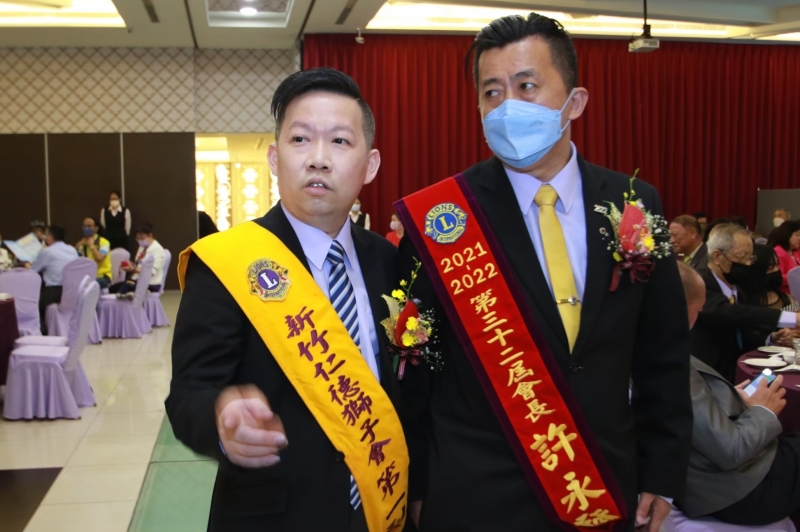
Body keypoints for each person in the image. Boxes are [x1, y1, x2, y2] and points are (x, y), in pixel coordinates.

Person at [396, 13, 692, 532]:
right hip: (473, 495)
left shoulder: (633, 204)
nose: (507, 106)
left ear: (574, 101)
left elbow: (662, 354)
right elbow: (415, 370)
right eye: (492, 92)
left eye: (526, 85)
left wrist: (662, 472)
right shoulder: (444, 219)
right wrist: (417, 485)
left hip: (599, 482)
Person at [166, 67, 410, 532]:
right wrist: (221, 421)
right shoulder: (227, 262)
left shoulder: (389, 260)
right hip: (273, 515)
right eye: (300, 140)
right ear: (275, 159)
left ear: (370, 164)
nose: (318, 159)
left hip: (382, 507)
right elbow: (188, 394)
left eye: (339, 141)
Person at [675, 261, 800, 527]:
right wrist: (762, 411)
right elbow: (730, 450)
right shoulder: (668, 365)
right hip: (739, 489)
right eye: (697, 310)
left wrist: (731, 399)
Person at [690, 224, 799, 382]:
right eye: (742, 257)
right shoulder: (700, 283)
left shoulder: (737, 289)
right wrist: (790, 318)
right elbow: (731, 313)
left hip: (735, 373)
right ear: (717, 256)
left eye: (750, 258)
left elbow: (742, 334)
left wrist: (771, 338)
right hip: (708, 376)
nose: (747, 264)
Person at [26, 225, 78, 334]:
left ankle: (42, 332)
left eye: (46, 235)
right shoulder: (72, 249)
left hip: (55, 291)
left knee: (32, 304)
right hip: (72, 290)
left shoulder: (47, 252)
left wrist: (27, 265)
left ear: (50, 237)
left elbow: (33, 271)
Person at [109, 223, 165, 297]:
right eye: (138, 238)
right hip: (136, 279)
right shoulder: (142, 247)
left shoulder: (157, 249)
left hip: (151, 283)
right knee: (112, 288)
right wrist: (131, 265)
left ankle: (131, 296)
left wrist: (133, 269)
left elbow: (151, 271)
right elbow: (139, 264)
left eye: (142, 237)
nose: (140, 240)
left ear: (150, 235)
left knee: (123, 290)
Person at [75, 217, 112, 288]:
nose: (86, 228)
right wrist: (78, 245)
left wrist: (92, 245)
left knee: (86, 285)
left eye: (89, 226)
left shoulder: (104, 242)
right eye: (84, 226)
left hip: (102, 276)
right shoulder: (82, 243)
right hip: (86, 276)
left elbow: (99, 258)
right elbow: (75, 258)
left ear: (96, 228)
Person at [767, 220, 800, 293]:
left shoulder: (796, 251)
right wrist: (795, 277)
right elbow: (777, 276)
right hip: (785, 294)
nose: (799, 238)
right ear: (787, 234)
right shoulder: (778, 251)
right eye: (797, 235)